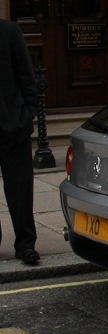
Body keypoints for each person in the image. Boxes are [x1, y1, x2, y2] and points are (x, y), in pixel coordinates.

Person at [0, 19, 39, 265]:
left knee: (20, 190)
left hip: (12, 127)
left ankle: (25, 245)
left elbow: (27, 76)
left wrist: (27, 114)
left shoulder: (8, 31)